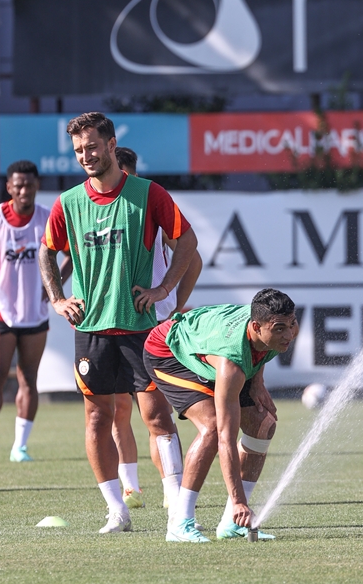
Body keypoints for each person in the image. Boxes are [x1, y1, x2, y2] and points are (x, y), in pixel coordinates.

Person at [38, 112, 198, 534]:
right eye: (77, 150)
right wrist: (57, 299)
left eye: (91, 146)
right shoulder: (69, 202)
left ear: (111, 145)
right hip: (91, 330)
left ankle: (177, 507)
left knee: (158, 417)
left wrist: (164, 290)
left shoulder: (148, 194)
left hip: (140, 327)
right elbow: (46, 250)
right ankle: (117, 511)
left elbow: (187, 241)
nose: (85, 156)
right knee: (97, 419)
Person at [143, 288, 298, 543]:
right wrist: (238, 500)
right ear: (257, 327)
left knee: (262, 424)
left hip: (212, 347)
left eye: (291, 325)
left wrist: (258, 379)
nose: (289, 334)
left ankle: (231, 523)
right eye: (280, 328)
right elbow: (227, 439)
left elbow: (266, 347)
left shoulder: (281, 328)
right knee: (213, 428)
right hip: (167, 351)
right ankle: (180, 522)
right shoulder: (231, 364)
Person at [111, 146, 203, 510]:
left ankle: (173, 490)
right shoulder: (97, 211)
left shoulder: (148, 207)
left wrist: (173, 302)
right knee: (118, 410)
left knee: (155, 414)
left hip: (153, 325)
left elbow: (192, 258)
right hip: (109, 324)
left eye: (129, 176)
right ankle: (130, 487)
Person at [0, 160, 71, 464]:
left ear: (37, 186)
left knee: (29, 377)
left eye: (29, 184)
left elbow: (72, 255)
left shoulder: (48, 218)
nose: (23, 189)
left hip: (35, 314)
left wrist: (55, 286)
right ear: (9, 187)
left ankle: (20, 447)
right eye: (18, 184)